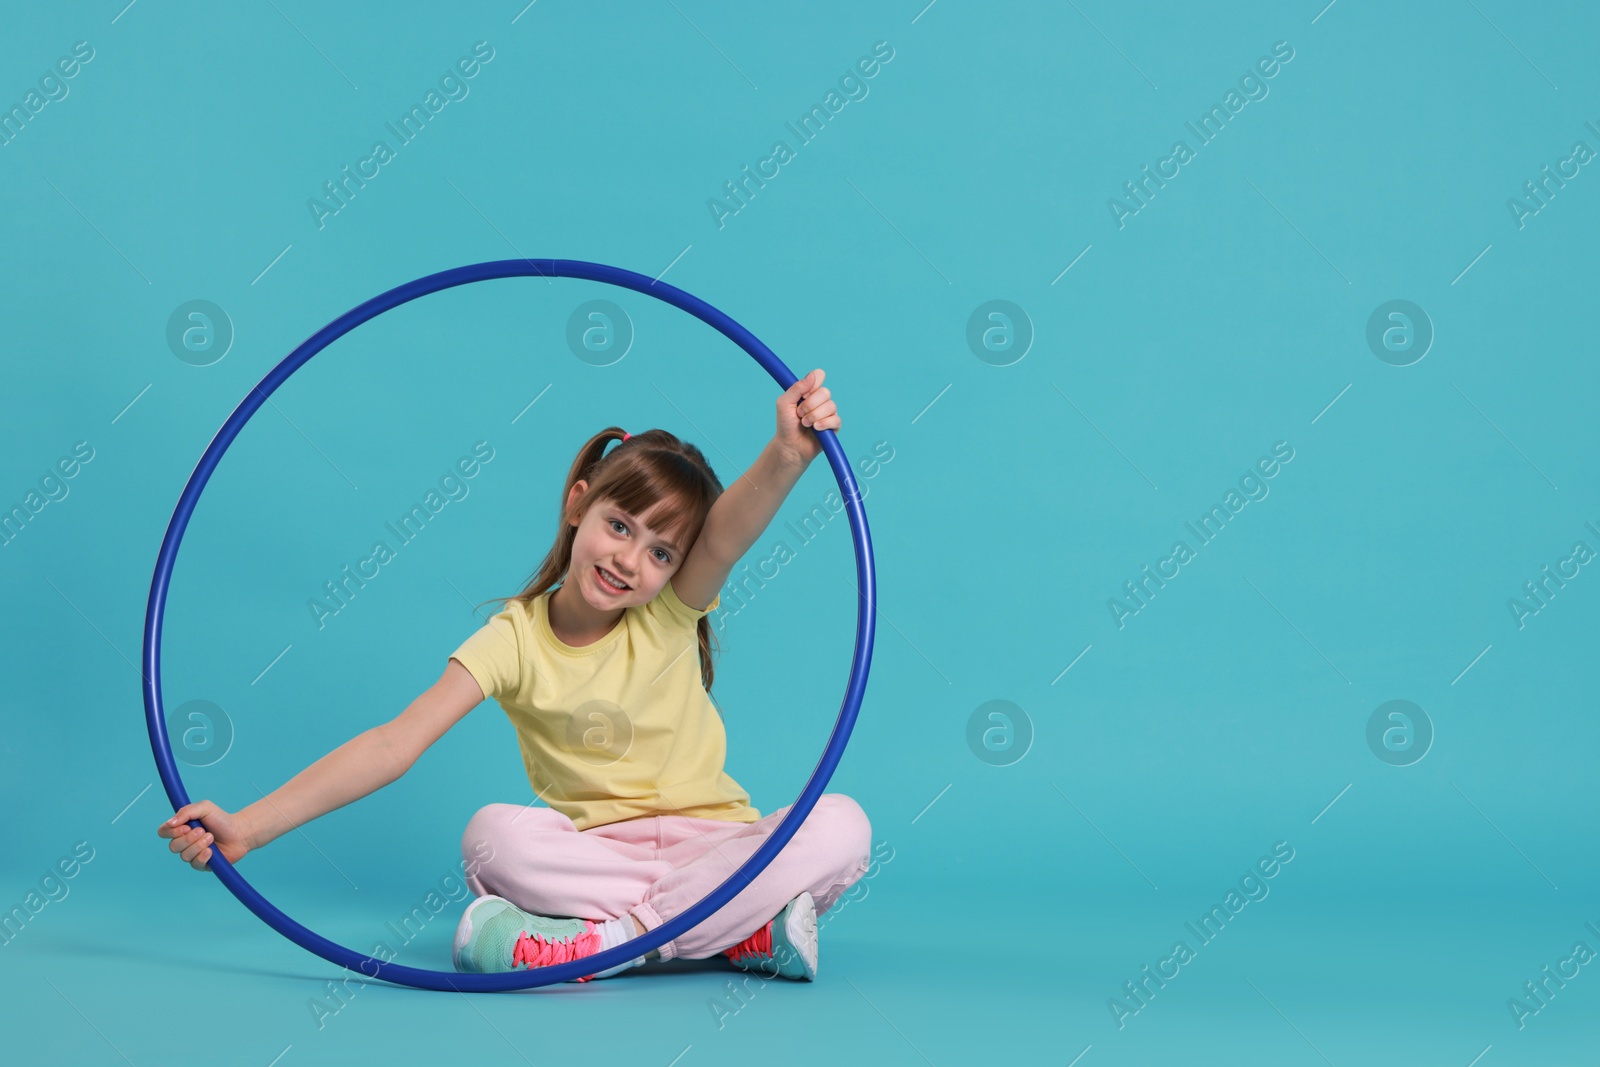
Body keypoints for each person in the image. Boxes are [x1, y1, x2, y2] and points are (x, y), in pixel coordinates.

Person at [157, 368, 872, 984]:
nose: (630, 559)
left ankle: (617, 942)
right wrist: (247, 827)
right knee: (492, 837)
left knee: (843, 824)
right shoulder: (512, 641)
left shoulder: (670, 613)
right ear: (577, 504)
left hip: (715, 844)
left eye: (660, 553)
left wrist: (786, 453)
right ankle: (735, 929)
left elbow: (726, 531)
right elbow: (392, 745)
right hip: (598, 858)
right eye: (620, 525)